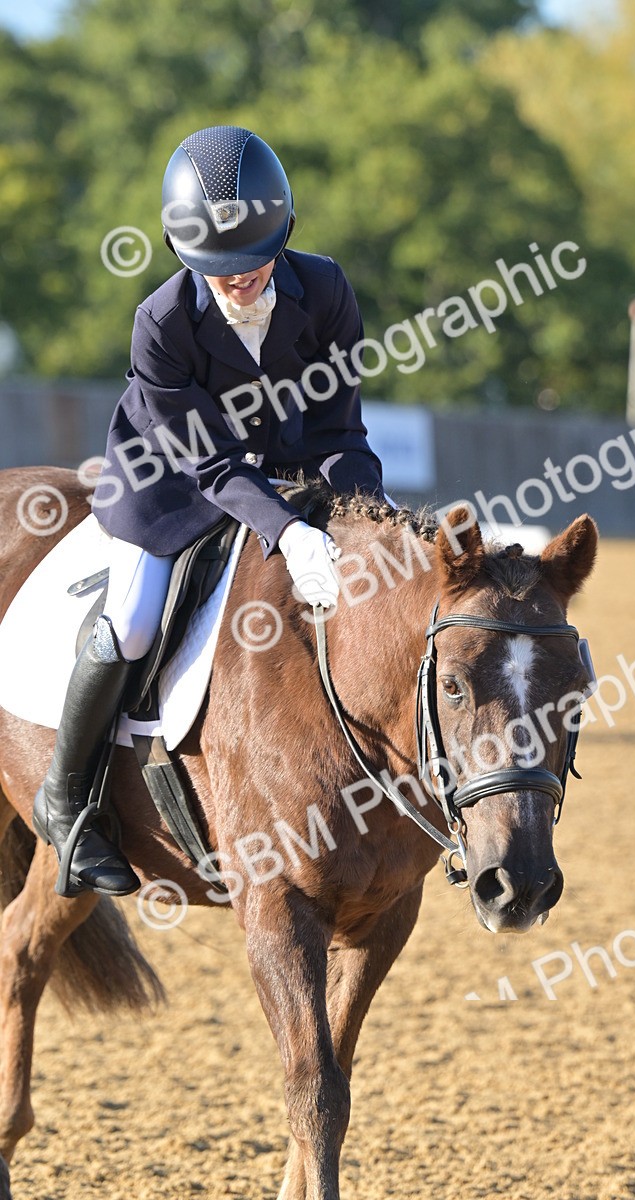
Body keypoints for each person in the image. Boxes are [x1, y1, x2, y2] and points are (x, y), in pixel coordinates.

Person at [33, 125, 385, 898]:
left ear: (284, 232)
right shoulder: (161, 323)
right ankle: (66, 800)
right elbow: (213, 465)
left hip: (287, 469)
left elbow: (339, 431)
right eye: (217, 266)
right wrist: (288, 531)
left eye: (253, 259)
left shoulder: (326, 290)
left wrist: (367, 522)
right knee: (133, 619)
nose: (238, 278)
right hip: (170, 479)